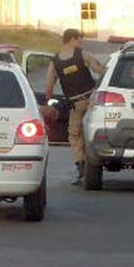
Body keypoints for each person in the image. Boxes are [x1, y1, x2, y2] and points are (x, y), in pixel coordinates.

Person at [45, 28, 106, 185]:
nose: (80, 43)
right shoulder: (83, 54)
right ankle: (95, 163)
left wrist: (49, 104)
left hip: (75, 104)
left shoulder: (55, 62)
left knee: (74, 135)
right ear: (72, 39)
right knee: (94, 131)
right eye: (78, 40)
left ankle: (81, 169)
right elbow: (100, 70)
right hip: (92, 100)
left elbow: (49, 87)